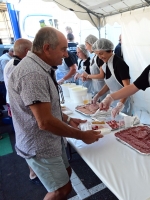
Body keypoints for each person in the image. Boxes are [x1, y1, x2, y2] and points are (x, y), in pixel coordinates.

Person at [8, 27, 102, 199]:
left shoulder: (39, 67)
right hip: (40, 145)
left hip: (51, 141)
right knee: (61, 190)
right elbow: (44, 122)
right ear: (46, 48)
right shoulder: (32, 73)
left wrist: (67, 119)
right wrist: (82, 136)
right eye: (63, 49)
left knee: (66, 174)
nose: (66, 54)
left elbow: (47, 108)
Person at [3, 38, 42, 185]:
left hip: (15, 103)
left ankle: (34, 171)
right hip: (19, 105)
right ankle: (33, 173)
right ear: (26, 51)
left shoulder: (13, 63)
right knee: (27, 134)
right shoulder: (17, 66)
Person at [91, 38, 131, 116]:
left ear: (109, 50)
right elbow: (109, 84)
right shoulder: (106, 64)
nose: (100, 57)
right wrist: (98, 95)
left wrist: (119, 106)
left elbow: (128, 88)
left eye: (101, 53)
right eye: (98, 55)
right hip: (111, 102)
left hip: (122, 103)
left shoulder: (119, 64)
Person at [0, 47, 13, 113]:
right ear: (12, 52)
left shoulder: (5, 57)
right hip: (3, 82)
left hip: (3, 81)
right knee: (8, 100)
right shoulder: (6, 60)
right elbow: (8, 73)